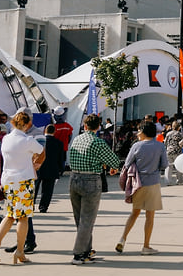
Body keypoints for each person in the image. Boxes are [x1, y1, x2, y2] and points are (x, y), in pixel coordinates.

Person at [0, 109, 44, 264]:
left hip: (8, 180)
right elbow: (42, 151)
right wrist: (36, 163)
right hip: (24, 180)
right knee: (23, 217)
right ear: (26, 124)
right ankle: (20, 250)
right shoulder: (27, 140)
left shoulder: (5, 139)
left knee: (10, 215)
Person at [67, 113, 122, 265]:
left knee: (80, 218)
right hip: (91, 180)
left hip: (74, 178)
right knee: (88, 219)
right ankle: (78, 254)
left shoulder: (77, 139)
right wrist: (109, 166)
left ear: (84, 126)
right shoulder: (98, 142)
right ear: (98, 127)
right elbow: (114, 161)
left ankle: (86, 249)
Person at [116, 120, 167, 255]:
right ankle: (146, 246)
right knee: (150, 216)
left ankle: (122, 239)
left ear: (144, 132)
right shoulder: (160, 146)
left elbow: (127, 163)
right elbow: (164, 165)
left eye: (139, 130)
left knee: (134, 213)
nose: (137, 133)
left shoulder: (136, 146)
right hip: (153, 183)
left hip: (137, 184)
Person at [35, 122, 66, 212]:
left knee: (35, 188)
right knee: (47, 190)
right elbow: (61, 158)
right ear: (54, 132)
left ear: (45, 130)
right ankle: (43, 207)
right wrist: (61, 169)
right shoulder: (59, 143)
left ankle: (31, 204)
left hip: (39, 167)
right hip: (52, 169)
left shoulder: (39, 141)